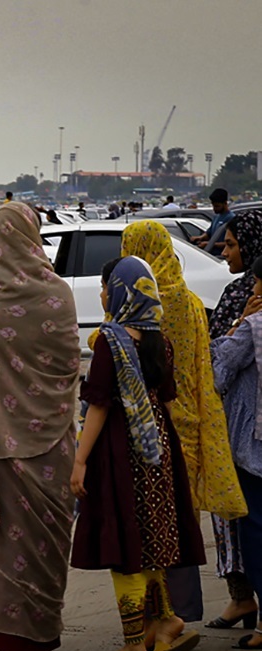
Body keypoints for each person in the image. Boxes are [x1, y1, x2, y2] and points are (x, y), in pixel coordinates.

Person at [0, 201, 80, 651]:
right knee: (46, 542)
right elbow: (69, 364)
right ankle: (41, 631)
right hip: (53, 444)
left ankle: (11, 640)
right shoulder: (59, 295)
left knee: (7, 541)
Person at [71, 256, 206, 651]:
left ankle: (133, 645)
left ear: (123, 293)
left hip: (121, 453)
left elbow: (97, 406)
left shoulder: (109, 344)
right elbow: (167, 394)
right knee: (152, 539)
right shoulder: (158, 340)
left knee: (126, 543)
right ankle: (165, 620)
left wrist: (79, 460)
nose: (102, 292)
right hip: (160, 453)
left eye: (108, 285)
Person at [120, 220, 248, 620]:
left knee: (151, 521)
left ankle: (159, 616)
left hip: (149, 424)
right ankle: (184, 610)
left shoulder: (139, 303)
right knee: (182, 519)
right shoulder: (190, 302)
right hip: (189, 423)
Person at [206, 210, 262, 629]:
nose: (224, 252)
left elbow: (218, 367)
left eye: (231, 244)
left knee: (248, 521)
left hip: (242, 431)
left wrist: (242, 323)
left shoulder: (245, 304)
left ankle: (247, 598)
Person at [190, 188, 235, 253]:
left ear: (225, 203)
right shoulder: (216, 216)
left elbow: (231, 243)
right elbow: (209, 233)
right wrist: (200, 238)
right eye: (213, 206)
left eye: (217, 206)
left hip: (223, 256)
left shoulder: (231, 218)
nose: (214, 209)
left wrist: (210, 244)